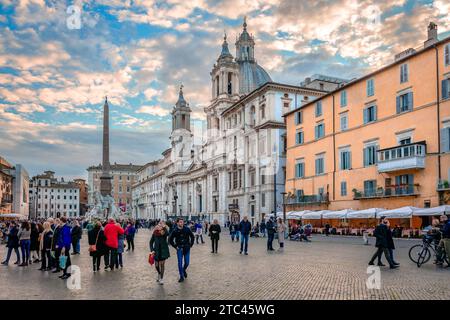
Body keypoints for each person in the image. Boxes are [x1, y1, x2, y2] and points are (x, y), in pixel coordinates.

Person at [168, 218, 194, 283]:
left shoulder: (187, 229)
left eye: (182, 222)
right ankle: (181, 276)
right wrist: (175, 246)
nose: (181, 223)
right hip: (179, 248)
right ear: (177, 223)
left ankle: (183, 269)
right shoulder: (175, 230)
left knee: (187, 263)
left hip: (186, 248)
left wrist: (190, 245)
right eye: (180, 222)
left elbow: (192, 236)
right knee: (179, 263)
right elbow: (170, 240)